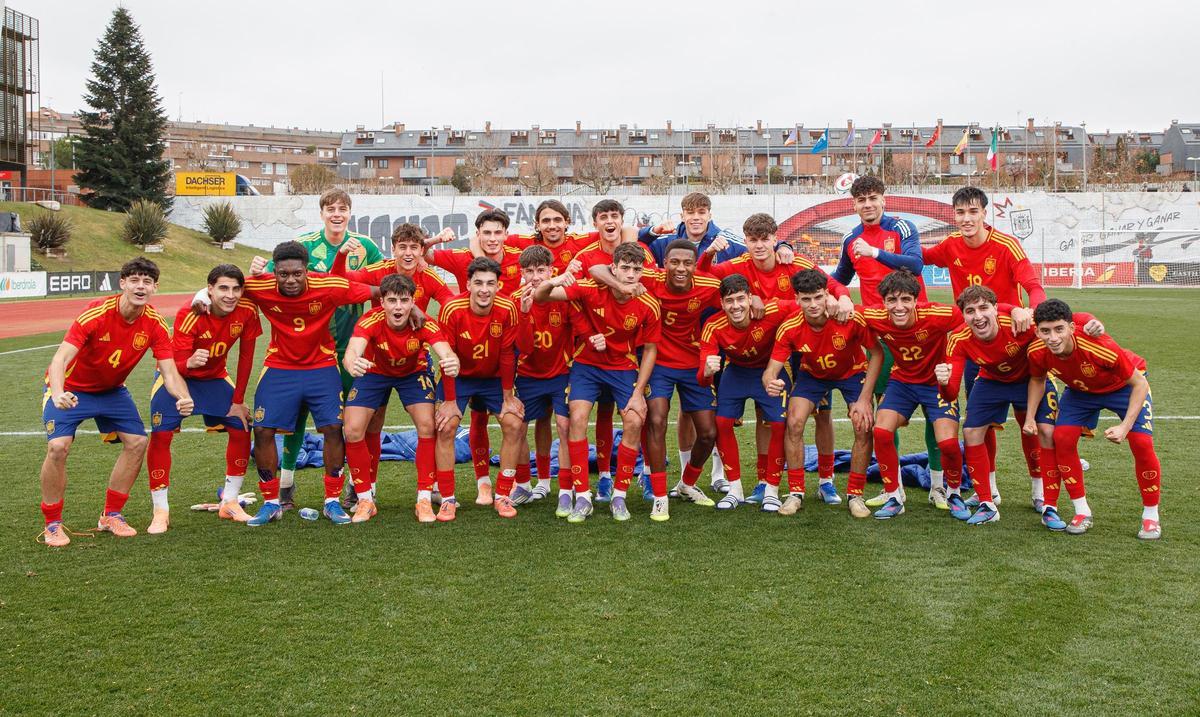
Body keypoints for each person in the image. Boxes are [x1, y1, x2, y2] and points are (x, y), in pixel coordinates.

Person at [39, 258, 193, 547]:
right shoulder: (96, 314)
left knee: (137, 442)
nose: (140, 286)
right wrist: (59, 392)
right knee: (58, 448)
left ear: (155, 288)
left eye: (147, 282)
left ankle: (111, 515)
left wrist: (182, 396)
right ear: (122, 283)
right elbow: (60, 359)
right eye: (134, 280)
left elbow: (169, 371)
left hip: (111, 391)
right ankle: (52, 523)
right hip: (71, 389)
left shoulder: (156, 324)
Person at [701, 213, 854, 504]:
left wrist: (843, 297)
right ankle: (763, 481)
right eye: (753, 240)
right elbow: (703, 276)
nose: (759, 246)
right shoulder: (737, 267)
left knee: (822, 413)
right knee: (766, 416)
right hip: (769, 355)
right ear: (745, 242)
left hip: (804, 348)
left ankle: (826, 480)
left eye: (765, 239)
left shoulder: (792, 263)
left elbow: (831, 285)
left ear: (775, 239)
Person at [250, 188, 383, 510]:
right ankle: (285, 485)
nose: (337, 214)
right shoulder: (304, 246)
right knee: (295, 420)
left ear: (350, 212)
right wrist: (256, 269)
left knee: (354, 422)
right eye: (331, 208)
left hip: (353, 347)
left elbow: (381, 282)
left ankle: (359, 487)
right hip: (309, 349)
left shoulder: (365, 246)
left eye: (342, 208)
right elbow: (268, 276)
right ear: (322, 212)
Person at [923, 186, 1050, 506]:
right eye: (960, 213)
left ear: (984, 213)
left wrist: (1031, 312)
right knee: (981, 423)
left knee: (1030, 424)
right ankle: (990, 488)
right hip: (975, 347)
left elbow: (1034, 286)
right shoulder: (950, 245)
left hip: (1014, 344)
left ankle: (1039, 490)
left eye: (972, 212)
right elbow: (917, 257)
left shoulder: (1006, 245)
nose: (966, 219)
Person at [831, 176, 947, 510]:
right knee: (885, 412)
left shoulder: (902, 227)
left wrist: (876, 252)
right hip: (881, 337)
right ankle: (891, 485)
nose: (867, 205)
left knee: (933, 409)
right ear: (853, 205)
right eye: (861, 200)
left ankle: (938, 486)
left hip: (920, 331)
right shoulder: (851, 240)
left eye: (872, 198)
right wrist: (831, 293)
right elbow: (839, 278)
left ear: (884, 199)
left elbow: (916, 264)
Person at [535, 242, 661, 523]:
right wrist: (553, 280)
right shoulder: (591, 288)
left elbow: (650, 349)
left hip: (623, 366)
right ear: (613, 268)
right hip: (587, 366)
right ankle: (583, 497)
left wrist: (639, 393)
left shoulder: (648, 304)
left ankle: (619, 496)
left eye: (636, 270)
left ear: (642, 272)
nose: (630, 274)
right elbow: (542, 297)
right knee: (576, 418)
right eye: (624, 268)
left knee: (633, 420)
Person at [331, 223, 456, 488]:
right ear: (393, 249)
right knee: (370, 424)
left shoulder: (429, 277)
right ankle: (366, 487)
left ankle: (429, 487)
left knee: (428, 424)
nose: (408, 254)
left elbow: (452, 304)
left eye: (414, 248)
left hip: (414, 359)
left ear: (422, 250)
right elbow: (340, 281)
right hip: (377, 361)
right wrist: (341, 255)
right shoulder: (380, 271)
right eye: (402, 248)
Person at [1025, 299, 1161, 539]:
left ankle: (1151, 516)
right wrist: (1029, 417)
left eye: (1059, 329)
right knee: (1062, 438)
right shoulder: (1037, 351)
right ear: (1037, 331)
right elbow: (1037, 379)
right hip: (1081, 393)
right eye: (1045, 331)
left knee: (1141, 442)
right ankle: (1081, 511)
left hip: (1124, 387)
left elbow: (1139, 383)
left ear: (1071, 328)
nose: (1053, 337)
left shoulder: (1099, 347)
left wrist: (1124, 427)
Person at [936, 286, 1068, 527]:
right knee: (971, 431)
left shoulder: (1018, 323)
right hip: (992, 380)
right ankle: (987, 503)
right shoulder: (958, 338)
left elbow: (1063, 321)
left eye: (984, 308)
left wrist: (1018, 309)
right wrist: (944, 383)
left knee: (1045, 431)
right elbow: (951, 392)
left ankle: (1046, 501)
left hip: (1031, 379)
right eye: (970, 311)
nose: (978, 316)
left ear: (996, 309)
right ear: (963, 316)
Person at [145, 264, 261, 532]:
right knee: (162, 434)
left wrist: (239, 400)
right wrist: (190, 363)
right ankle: (160, 510)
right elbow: (174, 364)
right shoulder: (191, 311)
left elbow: (246, 357)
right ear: (209, 289)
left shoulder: (247, 310)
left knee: (241, 426)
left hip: (216, 378)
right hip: (177, 378)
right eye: (222, 288)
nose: (230, 295)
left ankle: (230, 502)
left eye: (235, 289)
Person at [763, 269, 882, 518]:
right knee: (794, 422)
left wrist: (863, 399)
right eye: (806, 299)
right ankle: (795, 493)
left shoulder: (848, 317)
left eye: (818, 297)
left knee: (863, 424)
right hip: (813, 375)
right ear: (796, 299)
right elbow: (770, 371)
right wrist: (770, 382)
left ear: (826, 294)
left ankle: (855, 495)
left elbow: (877, 354)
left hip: (852, 372)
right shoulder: (790, 327)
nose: (813, 304)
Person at [342, 273, 460, 523]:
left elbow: (446, 353)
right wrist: (353, 363)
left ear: (412, 302)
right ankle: (365, 499)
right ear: (382, 301)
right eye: (392, 300)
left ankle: (424, 499)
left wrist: (451, 362)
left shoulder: (424, 323)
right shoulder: (370, 319)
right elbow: (352, 351)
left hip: (412, 373)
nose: (398, 307)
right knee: (352, 429)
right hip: (374, 371)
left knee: (428, 426)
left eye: (404, 301)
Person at [426, 210, 523, 503]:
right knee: (447, 423)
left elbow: (508, 353)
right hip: (462, 373)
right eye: (487, 233)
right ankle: (451, 495)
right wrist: (451, 400)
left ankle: (505, 492)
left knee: (515, 422)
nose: (493, 238)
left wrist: (508, 395)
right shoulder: (453, 304)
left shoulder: (509, 301)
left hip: (496, 369)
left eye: (498, 232)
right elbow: (448, 357)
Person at [861, 269, 966, 520]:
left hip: (936, 383)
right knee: (881, 430)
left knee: (948, 442)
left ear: (916, 300)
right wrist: (839, 299)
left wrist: (952, 359)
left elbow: (977, 312)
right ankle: (894, 495)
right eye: (892, 300)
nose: (899, 307)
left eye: (906, 299)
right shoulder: (874, 315)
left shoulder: (938, 314)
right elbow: (840, 308)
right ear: (883, 302)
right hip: (903, 382)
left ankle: (949, 491)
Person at [698, 275, 794, 512]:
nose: (736, 306)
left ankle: (772, 490)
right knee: (721, 422)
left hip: (770, 371)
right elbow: (702, 377)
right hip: (737, 373)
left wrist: (839, 301)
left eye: (741, 299)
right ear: (722, 304)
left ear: (751, 298)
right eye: (729, 301)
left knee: (780, 425)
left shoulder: (772, 310)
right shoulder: (713, 324)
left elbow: (804, 306)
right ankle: (735, 489)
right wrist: (708, 371)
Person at [509, 245, 575, 510]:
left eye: (541, 270)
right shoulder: (515, 299)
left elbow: (579, 330)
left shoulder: (563, 296)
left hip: (562, 372)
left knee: (564, 425)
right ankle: (525, 484)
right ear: (522, 273)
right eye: (530, 271)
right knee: (520, 426)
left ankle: (564, 488)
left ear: (552, 270)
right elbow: (523, 347)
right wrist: (525, 314)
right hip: (527, 374)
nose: (536, 277)